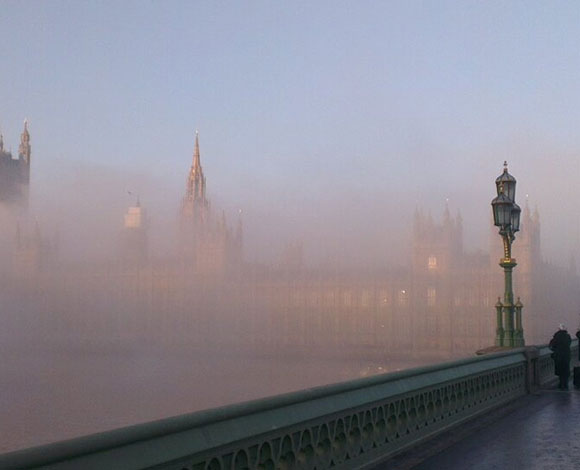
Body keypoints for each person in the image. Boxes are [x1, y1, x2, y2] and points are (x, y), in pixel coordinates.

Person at [550, 324, 572, 390]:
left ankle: (561, 384)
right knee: (565, 369)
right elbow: (569, 343)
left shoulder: (556, 337)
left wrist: (555, 350)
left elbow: (551, 345)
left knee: (560, 370)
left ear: (559, 329)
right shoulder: (568, 336)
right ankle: (565, 384)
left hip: (558, 356)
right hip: (566, 355)